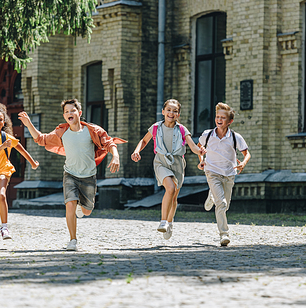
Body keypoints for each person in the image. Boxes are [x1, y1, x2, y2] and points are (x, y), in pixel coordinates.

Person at [18, 99, 125, 251]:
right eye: (67, 111)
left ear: (79, 113)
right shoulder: (62, 132)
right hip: (70, 174)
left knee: (87, 211)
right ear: (64, 116)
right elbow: (41, 139)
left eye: (72, 110)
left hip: (88, 176)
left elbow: (109, 143)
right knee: (70, 204)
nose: (70, 113)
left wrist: (115, 156)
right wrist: (29, 124)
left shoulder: (92, 131)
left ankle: (82, 208)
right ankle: (73, 240)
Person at [131, 99, 206, 240]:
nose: (172, 113)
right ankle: (163, 221)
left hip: (177, 164)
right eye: (169, 110)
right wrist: (137, 151)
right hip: (161, 162)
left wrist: (200, 152)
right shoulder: (155, 127)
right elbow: (144, 140)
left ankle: (170, 222)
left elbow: (193, 146)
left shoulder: (183, 130)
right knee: (170, 188)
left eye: (175, 111)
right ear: (163, 112)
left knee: (174, 197)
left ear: (178, 114)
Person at [0, 103, 39, 247]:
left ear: (4, 121)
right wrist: (2, 146)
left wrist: (32, 163)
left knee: (2, 196)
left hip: (3, 169)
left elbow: (22, 150)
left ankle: (4, 227)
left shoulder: (7, 137)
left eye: (0, 120)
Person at [197, 102, 251, 246]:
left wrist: (243, 164)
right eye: (217, 117)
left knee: (225, 206)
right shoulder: (207, 135)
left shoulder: (235, 137)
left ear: (230, 121)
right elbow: (199, 147)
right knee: (222, 203)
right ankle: (224, 234)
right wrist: (201, 159)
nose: (219, 119)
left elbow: (247, 154)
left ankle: (212, 196)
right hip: (212, 171)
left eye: (223, 117)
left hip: (229, 173)